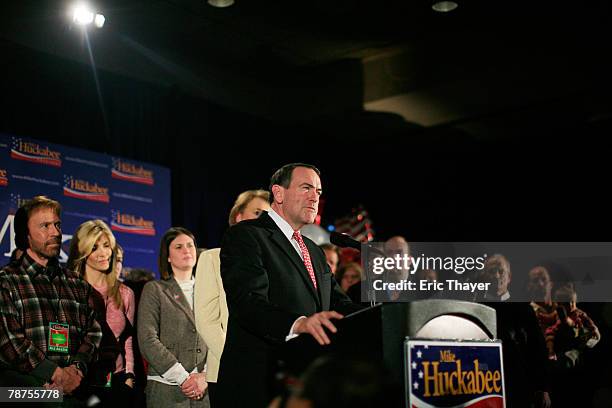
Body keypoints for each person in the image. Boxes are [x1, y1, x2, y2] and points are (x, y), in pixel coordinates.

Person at [215, 163, 361, 407]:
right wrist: (299, 323)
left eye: (319, 191)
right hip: (260, 382)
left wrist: (388, 313)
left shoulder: (313, 250)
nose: (315, 196)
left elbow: (339, 305)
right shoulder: (247, 235)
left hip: (305, 382)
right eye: (306, 188)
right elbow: (248, 302)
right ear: (279, 193)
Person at [0, 196, 102, 401]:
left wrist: (76, 370)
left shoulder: (77, 284)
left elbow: (93, 332)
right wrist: (54, 374)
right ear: (25, 234)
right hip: (23, 393)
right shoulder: (7, 281)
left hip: (75, 390)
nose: (55, 232)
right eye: (45, 226)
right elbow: (9, 341)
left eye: (57, 224)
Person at [194, 189, 270, 405]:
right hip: (229, 371)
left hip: (267, 371)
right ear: (238, 217)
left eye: (268, 215)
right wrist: (240, 359)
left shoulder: (272, 262)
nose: (262, 219)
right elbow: (206, 321)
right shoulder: (212, 258)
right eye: (257, 212)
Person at [67, 220, 137, 404]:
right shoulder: (69, 290)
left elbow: (128, 339)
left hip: (116, 380)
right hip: (80, 383)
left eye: (106, 246)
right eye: (94, 247)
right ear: (82, 252)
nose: (103, 253)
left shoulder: (125, 293)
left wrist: (129, 376)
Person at [138, 227, 209, 407]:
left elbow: (221, 336)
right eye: (178, 247)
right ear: (167, 256)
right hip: (166, 392)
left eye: (190, 245)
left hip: (205, 391)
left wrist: (205, 376)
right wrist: (183, 378)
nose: (186, 250)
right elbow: (147, 339)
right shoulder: (155, 290)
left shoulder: (211, 291)